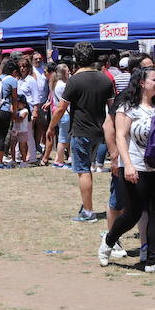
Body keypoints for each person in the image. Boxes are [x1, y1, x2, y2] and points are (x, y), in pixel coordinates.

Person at [98, 67, 155, 275]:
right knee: (132, 214)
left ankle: (153, 261)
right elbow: (120, 137)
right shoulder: (127, 107)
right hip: (136, 167)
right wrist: (127, 165)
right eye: (154, 80)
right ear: (142, 83)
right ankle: (109, 240)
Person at [47, 42, 115, 223]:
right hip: (99, 132)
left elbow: (61, 108)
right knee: (88, 168)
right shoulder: (105, 79)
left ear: (77, 59)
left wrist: (51, 127)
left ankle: (88, 211)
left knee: (83, 171)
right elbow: (112, 108)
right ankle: (86, 205)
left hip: (81, 130)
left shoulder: (75, 80)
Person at [0, 59, 20, 169]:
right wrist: (15, 111)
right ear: (14, 71)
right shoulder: (12, 80)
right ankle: (0, 162)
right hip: (5, 109)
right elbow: (15, 98)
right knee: (2, 135)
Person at [43, 63, 70, 168]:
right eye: (67, 71)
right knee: (63, 140)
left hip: (59, 114)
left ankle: (60, 159)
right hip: (64, 113)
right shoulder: (62, 85)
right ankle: (59, 161)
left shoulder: (55, 83)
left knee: (63, 138)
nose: (69, 72)